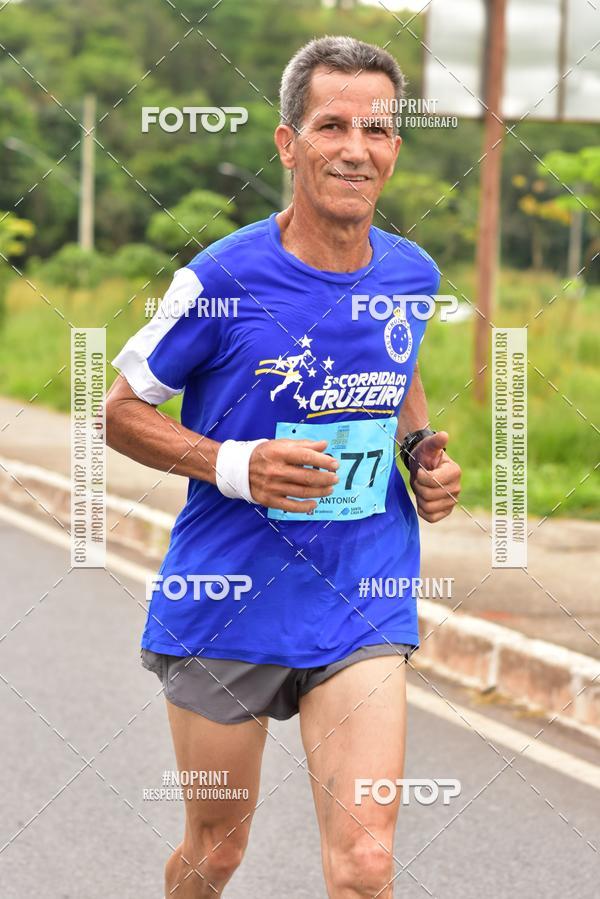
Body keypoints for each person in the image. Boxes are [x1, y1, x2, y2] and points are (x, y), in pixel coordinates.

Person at [106, 35, 461, 899]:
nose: (354, 148)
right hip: (227, 595)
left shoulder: (412, 275)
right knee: (216, 850)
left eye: (374, 130)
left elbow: (398, 366)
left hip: (361, 595)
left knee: (367, 862)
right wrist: (237, 465)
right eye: (331, 125)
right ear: (287, 142)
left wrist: (418, 450)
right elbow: (119, 411)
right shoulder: (222, 277)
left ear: (394, 148)